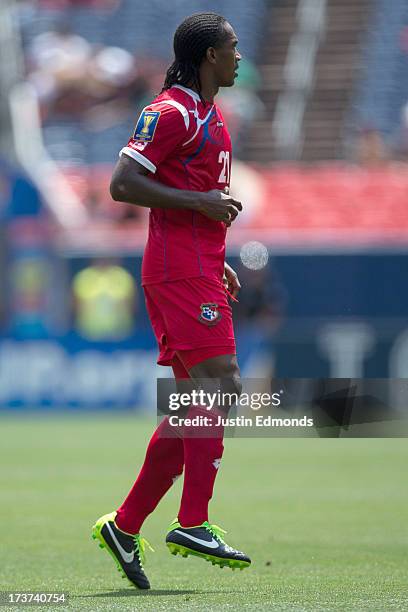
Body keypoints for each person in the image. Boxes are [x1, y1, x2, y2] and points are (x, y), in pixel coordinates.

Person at [91, 12, 251, 590]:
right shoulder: (171, 111)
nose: (239, 55)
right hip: (178, 269)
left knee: (193, 404)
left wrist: (216, 253)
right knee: (221, 384)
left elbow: (192, 196)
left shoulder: (208, 113)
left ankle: (127, 524)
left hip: (198, 264)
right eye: (232, 47)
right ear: (210, 55)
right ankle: (193, 521)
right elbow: (123, 183)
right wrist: (202, 210)